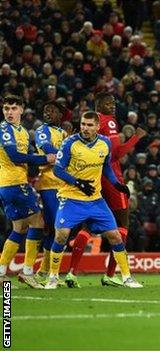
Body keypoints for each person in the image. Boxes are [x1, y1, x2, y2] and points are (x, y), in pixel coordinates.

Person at [44, 111, 142, 289]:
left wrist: (116, 184)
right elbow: (58, 170)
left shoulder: (104, 143)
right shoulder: (70, 143)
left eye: (89, 125)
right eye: (83, 124)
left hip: (95, 200)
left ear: (97, 127)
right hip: (71, 198)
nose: (85, 128)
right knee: (61, 236)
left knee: (115, 236)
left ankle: (127, 277)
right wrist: (78, 183)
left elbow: (106, 168)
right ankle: (52, 276)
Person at [66, 92, 147, 288]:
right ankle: (111, 274)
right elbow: (116, 154)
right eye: (108, 102)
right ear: (98, 104)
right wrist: (136, 138)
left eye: (114, 103)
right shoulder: (108, 121)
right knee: (123, 223)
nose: (113, 106)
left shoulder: (87, 124)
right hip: (111, 178)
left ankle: (72, 273)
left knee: (88, 226)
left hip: (92, 177)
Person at [0, 95, 56, 288]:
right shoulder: (5, 129)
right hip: (13, 184)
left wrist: (39, 160)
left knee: (20, 227)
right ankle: (27, 272)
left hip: (12, 184)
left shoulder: (22, 132)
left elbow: (27, 157)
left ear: (22, 110)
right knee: (38, 222)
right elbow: (15, 156)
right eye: (6, 108)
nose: (9, 112)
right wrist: (45, 159)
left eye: (13, 108)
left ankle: (1, 274)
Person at [33, 101, 68, 282]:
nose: (48, 113)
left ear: (60, 115)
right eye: (46, 111)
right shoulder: (42, 131)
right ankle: (43, 271)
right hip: (48, 184)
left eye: (52, 111)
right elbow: (48, 151)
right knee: (56, 226)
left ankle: (44, 271)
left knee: (60, 230)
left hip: (64, 186)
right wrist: (66, 156)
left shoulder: (63, 133)